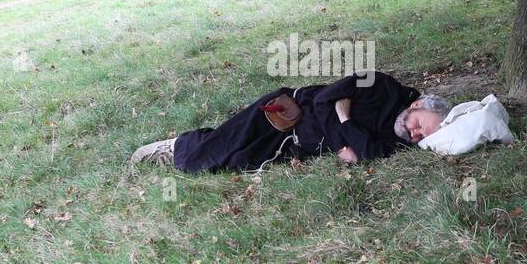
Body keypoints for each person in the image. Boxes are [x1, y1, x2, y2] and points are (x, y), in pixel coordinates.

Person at [130, 71, 451, 173]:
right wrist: (342, 141)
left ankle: (184, 152)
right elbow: (326, 98)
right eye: (421, 123)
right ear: (417, 104)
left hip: (301, 142)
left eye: (421, 136)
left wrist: (344, 115)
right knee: (223, 144)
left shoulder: (398, 139)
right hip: (289, 111)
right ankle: (173, 148)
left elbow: (367, 153)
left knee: (236, 161)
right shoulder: (378, 82)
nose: (415, 133)